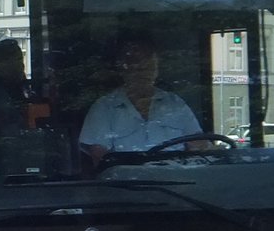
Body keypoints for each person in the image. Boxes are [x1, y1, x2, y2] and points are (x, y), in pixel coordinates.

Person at [79, 33, 204, 165]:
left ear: (156, 67)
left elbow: (199, 146)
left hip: (177, 180)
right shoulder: (104, 108)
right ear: (122, 68)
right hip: (128, 182)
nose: (142, 71)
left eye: (148, 64)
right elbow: (101, 160)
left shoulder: (175, 104)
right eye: (134, 65)